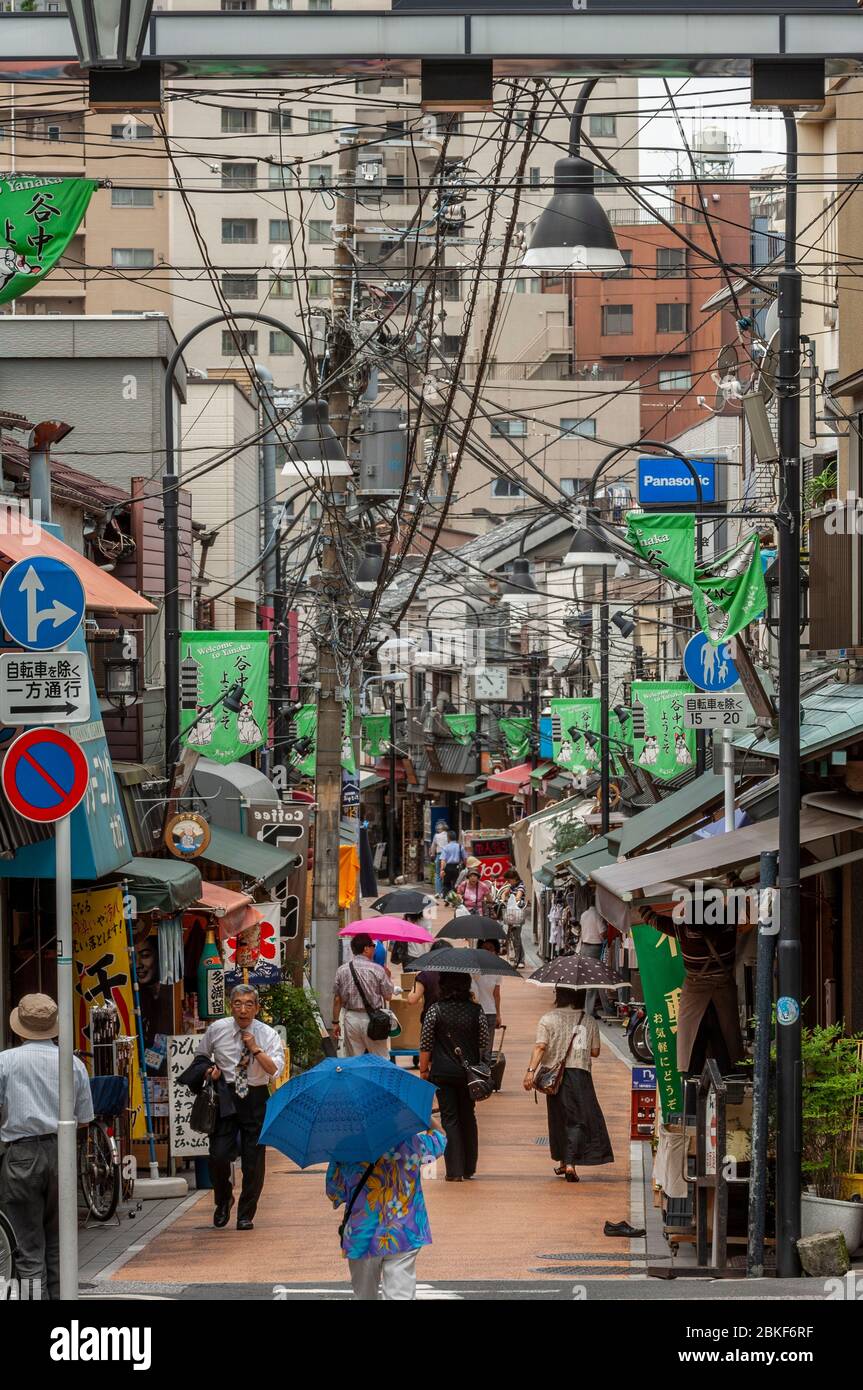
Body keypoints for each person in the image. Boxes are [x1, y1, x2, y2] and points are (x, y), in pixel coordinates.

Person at [0, 994, 94, 1299]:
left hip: (20, 1154)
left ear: (20, 1028)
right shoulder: (73, 1063)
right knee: (60, 1242)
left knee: (26, 1245)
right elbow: (84, 1120)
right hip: (62, 1152)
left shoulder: (5, 1062)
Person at [195, 984, 285, 1230]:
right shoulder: (218, 1029)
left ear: (257, 1008)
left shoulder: (267, 1034)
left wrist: (255, 1048)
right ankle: (223, 1199)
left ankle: (246, 1213)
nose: (243, 1009)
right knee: (218, 1155)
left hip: (255, 1096)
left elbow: (275, 1069)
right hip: (226, 1094)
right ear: (230, 1005)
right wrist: (208, 1070)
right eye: (238, 1004)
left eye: (248, 1004)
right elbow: (201, 1056)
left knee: (253, 1161)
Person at [326, 1122, 447, 1300]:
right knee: (401, 1296)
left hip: (363, 1234)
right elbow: (440, 1138)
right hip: (404, 1230)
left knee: (365, 1296)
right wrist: (427, 1118)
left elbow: (335, 1191)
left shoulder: (345, 1148)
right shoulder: (410, 1142)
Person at [523, 986, 613, 1182]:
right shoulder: (588, 1020)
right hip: (580, 1074)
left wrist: (530, 1071)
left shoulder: (548, 1019)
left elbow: (540, 1046)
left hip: (555, 1077)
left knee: (558, 1118)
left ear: (559, 995)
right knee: (578, 1119)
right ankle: (568, 1163)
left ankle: (566, 1162)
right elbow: (595, 1051)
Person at [419, 973, 489, 1182]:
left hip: (442, 1073)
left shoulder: (435, 1010)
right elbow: (484, 1040)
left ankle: (454, 1170)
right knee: (468, 1115)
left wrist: (423, 1070)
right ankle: (469, 1167)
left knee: (450, 1118)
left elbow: (426, 1043)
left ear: (443, 986)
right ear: (467, 985)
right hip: (469, 1074)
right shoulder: (477, 1011)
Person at [332, 933, 394, 1058]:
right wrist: (387, 976)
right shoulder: (377, 969)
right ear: (366, 948)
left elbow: (337, 999)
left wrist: (335, 1022)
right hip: (373, 1019)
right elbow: (388, 996)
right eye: (372, 946)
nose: (374, 948)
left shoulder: (342, 970)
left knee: (354, 1060)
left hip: (351, 1019)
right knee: (380, 1059)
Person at [579, 902, 610, 1019]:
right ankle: (589, 1010)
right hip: (595, 948)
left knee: (586, 978)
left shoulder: (584, 914)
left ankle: (587, 1008)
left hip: (584, 947)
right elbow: (602, 934)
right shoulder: (598, 915)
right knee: (594, 979)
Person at [474, 939, 503, 1058]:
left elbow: (496, 994)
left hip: (489, 1013)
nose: (487, 951)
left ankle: (484, 1074)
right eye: (484, 948)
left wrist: (498, 1014)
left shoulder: (497, 970)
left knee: (487, 1049)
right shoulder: (473, 967)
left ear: (496, 952)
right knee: (476, 1047)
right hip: (473, 1012)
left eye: (490, 949)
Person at [497, 868, 527, 967]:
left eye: (509, 880)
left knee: (516, 936)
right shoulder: (511, 885)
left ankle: (520, 960)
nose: (507, 882)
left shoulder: (520, 886)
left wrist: (512, 899)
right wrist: (503, 899)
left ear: (514, 878)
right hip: (510, 912)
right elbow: (504, 894)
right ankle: (517, 958)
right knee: (513, 936)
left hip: (517, 912)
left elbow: (518, 897)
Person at [438, 828, 465, 898]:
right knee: (456, 884)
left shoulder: (445, 847)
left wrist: (442, 870)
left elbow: (443, 860)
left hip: (448, 867)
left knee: (446, 884)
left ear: (448, 838)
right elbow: (465, 858)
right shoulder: (460, 847)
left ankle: (446, 899)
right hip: (457, 868)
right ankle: (455, 900)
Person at [430, 820, 449, 897]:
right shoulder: (448, 835)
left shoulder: (436, 836)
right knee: (446, 874)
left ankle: (438, 892)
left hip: (439, 855)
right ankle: (445, 892)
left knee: (438, 874)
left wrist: (432, 854)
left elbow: (433, 846)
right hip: (447, 856)